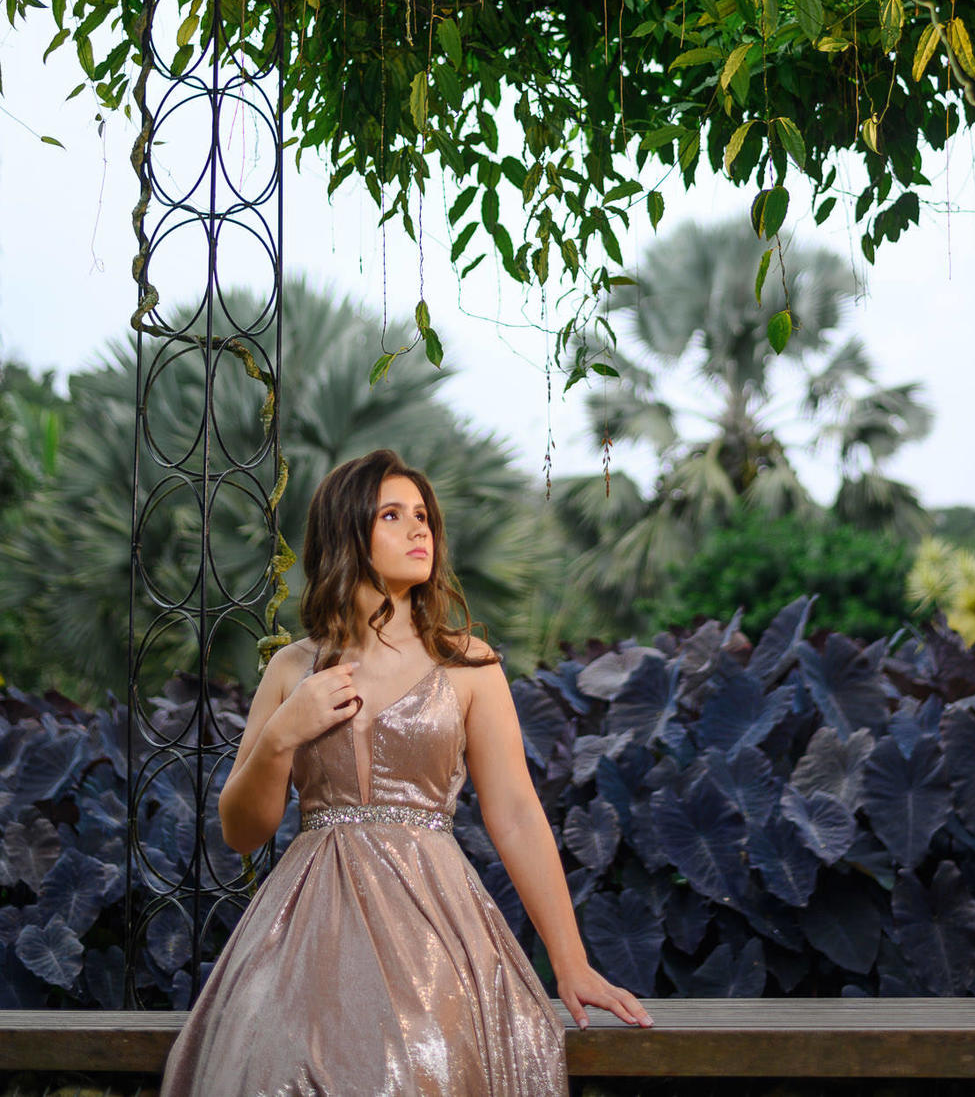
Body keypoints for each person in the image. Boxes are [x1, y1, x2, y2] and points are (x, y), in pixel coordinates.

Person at [160, 447, 651, 1097]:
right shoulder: (291, 668)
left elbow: (515, 811)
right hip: (307, 938)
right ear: (346, 533)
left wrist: (571, 960)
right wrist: (282, 735)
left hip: (435, 930)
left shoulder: (468, 663)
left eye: (423, 515)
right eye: (393, 514)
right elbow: (242, 831)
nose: (420, 528)